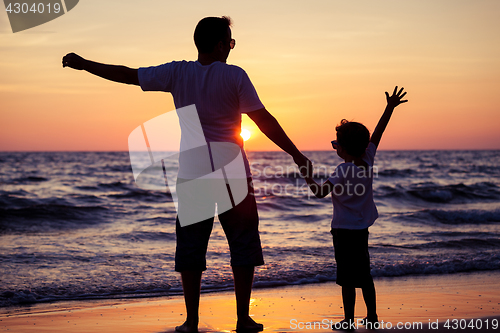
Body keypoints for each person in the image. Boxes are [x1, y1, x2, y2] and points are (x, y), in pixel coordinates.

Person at [62, 16, 311, 333]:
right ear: (221, 44)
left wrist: (85, 64)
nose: (231, 48)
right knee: (243, 243)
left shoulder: (178, 72)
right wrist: (296, 155)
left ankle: (191, 321)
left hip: (193, 171)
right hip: (232, 168)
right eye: (230, 42)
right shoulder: (234, 75)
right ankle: (243, 318)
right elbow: (263, 120)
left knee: (192, 246)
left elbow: (128, 75)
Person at [304, 86, 408, 330]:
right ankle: (371, 316)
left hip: (343, 230)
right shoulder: (368, 159)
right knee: (364, 274)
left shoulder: (343, 170)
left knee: (347, 279)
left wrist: (307, 175)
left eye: (336, 144)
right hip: (361, 230)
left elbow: (319, 192)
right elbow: (378, 133)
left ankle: (348, 321)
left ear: (343, 148)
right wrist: (389, 108)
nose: (335, 148)